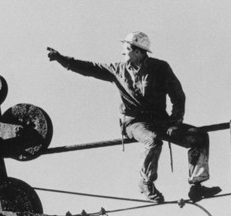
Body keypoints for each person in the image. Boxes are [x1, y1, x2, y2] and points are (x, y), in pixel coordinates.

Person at [47, 31, 221, 203]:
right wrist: (62, 59)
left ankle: (197, 187)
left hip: (160, 121)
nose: (123, 52)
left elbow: (178, 95)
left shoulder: (160, 68)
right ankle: (146, 183)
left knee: (199, 136)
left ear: (137, 51)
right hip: (134, 122)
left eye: (126, 49)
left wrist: (176, 119)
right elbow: (89, 68)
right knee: (152, 141)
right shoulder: (118, 70)